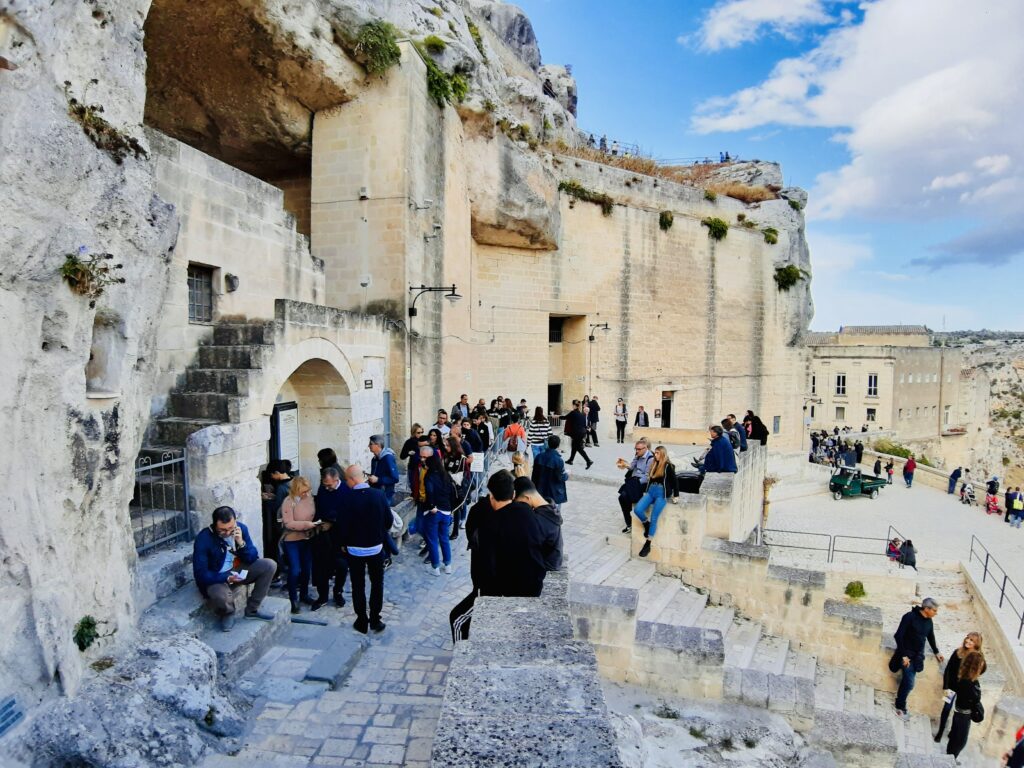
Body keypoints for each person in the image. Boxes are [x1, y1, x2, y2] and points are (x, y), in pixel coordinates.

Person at [192, 506, 277, 631]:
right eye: (222, 530)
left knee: (269, 565)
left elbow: (253, 557)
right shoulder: (204, 538)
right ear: (215, 524)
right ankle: (228, 613)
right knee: (220, 595)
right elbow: (200, 574)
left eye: (230, 528)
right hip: (217, 576)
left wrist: (241, 542)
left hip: (238, 569)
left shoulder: (241, 529)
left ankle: (252, 610)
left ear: (235, 522)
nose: (227, 533)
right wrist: (226, 577)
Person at [473, 470, 549, 597]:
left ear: (491, 496)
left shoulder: (490, 524)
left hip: (509, 589)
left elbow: (488, 566)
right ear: (513, 494)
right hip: (534, 582)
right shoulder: (528, 511)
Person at [336, 464, 391, 634]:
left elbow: (342, 525)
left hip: (355, 549)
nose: (346, 483)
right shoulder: (379, 495)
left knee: (357, 585)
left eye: (347, 479)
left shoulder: (346, 498)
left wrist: (343, 543)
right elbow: (388, 520)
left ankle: (361, 619)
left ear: (353, 479)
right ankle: (375, 619)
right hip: (375, 547)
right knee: (377, 583)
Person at [891, 597, 944, 718]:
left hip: (917, 656)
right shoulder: (909, 617)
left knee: (908, 681)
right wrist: (903, 655)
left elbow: (930, 636)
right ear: (926, 609)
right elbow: (898, 636)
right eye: (934, 611)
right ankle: (900, 706)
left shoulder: (929, 621)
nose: (936, 613)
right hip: (905, 655)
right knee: (910, 683)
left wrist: (936, 651)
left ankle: (900, 702)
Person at [935, 632, 986, 742]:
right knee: (946, 709)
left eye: (972, 640)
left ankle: (953, 732)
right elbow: (948, 670)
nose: (968, 641)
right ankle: (940, 732)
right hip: (952, 687)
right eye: (967, 638)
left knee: (959, 711)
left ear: (977, 644)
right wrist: (945, 687)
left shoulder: (977, 657)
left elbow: (983, 669)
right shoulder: (958, 652)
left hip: (965, 691)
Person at [279, 476, 318, 613]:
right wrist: (306, 525)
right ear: (296, 490)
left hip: (307, 538)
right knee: (295, 570)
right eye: (303, 491)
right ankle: (293, 598)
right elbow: (288, 523)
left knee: (307, 569)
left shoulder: (310, 499)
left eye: (308, 490)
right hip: (292, 540)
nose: (306, 494)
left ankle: (304, 594)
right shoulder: (288, 502)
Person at [312, 466, 349, 609]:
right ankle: (322, 596)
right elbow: (319, 508)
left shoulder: (346, 490)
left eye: (329, 485)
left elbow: (347, 515)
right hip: (323, 535)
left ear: (336, 479)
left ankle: (338, 592)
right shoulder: (323, 489)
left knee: (341, 566)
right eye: (325, 484)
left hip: (340, 536)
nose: (327, 488)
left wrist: (332, 524)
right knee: (321, 567)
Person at [633, 445, 679, 558]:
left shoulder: (668, 466)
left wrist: (676, 495)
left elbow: (675, 482)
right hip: (651, 491)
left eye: (657, 453)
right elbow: (650, 479)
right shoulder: (654, 464)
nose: (655, 455)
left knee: (654, 517)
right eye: (655, 453)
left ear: (662, 454)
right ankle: (645, 523)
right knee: (637, 509)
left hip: (661, 494)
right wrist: (647, 490)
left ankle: (648, 544)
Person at [513, 476, 563, 571]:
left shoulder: (538, 519)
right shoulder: (549, 505)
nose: (519, 505)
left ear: (527, 498)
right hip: (552, 559)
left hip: (546, 564)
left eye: (519, 502)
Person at [420, 446, 455, 575]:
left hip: (434, 511)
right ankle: (448, 565)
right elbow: (451, 492)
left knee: (432, 540)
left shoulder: (429, 476)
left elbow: (429, 491)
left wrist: (431, 506)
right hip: (446, 511)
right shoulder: (445, 475)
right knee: (444, 539)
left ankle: (435, 567)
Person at [945, 650, 985, 759]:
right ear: (975, 667)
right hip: (963, 716)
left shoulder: (962, 676)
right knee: (959, 742)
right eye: (979, 666)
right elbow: (976, 699)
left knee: (954, 739)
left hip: (959, 713)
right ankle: (950, 760)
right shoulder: (969, 684)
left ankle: (950, 758)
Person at [617, 441, 655, 534]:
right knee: (622, 497)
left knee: (624, 496)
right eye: (636, 449)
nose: (637, 451)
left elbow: (647, 477)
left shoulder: (650, 459)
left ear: (645, 448)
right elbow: (631, 467)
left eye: (639, 449)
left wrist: (636, 482)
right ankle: (629, 524)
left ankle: (631, 524)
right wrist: (624, 464)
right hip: (634, 480)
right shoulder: (638, 455)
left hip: (641, 483)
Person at [367, 435, 399, 506]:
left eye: (370, 444)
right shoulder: (374, 459)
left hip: (385, 495)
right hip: (376, 493)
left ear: (377, 445)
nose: (368, 446)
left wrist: (378, 480)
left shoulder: (388, 458)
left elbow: (395, 478)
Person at [564, 400, 593, 469]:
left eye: (572, 405)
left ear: (574, 405)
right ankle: (571, 460)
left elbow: (565, 417)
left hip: (577, 433)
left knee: (578, 448)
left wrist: (556, 416)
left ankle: (588, 461)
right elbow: (583, 424)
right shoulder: (580, 413)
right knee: (574, 446)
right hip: (581, 433)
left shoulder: (573, 413)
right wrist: (587, 428)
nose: (572, 406)